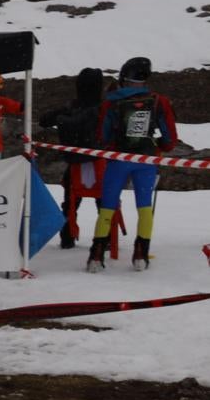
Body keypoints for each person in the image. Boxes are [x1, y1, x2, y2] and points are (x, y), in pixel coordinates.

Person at [88, 57, 180, 271]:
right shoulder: (158, 101)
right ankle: (141, 253)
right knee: (145, 207)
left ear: (123, 78)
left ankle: (97, 254)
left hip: (119, 159)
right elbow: (170, 139)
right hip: (146, 160)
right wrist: (158, 146)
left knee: (108, 206)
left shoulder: (111, 102)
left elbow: (102, 136)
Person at [45, 67, 108, 248]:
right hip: (99, 162)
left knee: (70, 202)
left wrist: (63, 116)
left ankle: (67, 237)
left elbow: (44, 120)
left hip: (75, 164)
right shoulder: (103, 108)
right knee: (105, 202)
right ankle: (106, 239)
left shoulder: (72, 107)